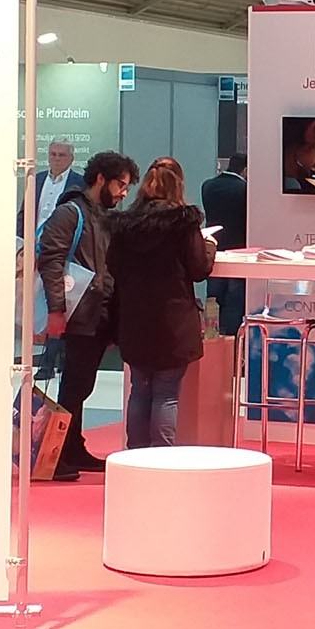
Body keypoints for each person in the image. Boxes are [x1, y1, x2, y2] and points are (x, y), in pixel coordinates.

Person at [39, 149, 139, 479]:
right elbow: (51, 261)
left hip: (96, 314)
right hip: (76, 312)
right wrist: (57, 309)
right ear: (100, 179)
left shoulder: (103, 216)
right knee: (74, 385)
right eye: (121, 185)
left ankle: (71, 448)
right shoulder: (70, 213)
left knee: (81, 384)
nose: (124, 193)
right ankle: (55, 455)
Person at [106, 164, 217, 448]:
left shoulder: (124, 225)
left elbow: (113, 266)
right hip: (173, 320)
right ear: (178, 185)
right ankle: (161, 455)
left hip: (134, 318)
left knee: (139, 390)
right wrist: (209, 247)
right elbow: (198, 269)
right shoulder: (184, 223)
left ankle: (134, 453)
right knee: (167, 394)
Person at [30, 139, 85, 378]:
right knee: (40, 307)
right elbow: (25, 213)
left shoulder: (79, 183)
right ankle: (50, 358)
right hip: (35, 251)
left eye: (62, 155)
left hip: (65, 253)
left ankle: (50, 362)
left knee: (59, 305)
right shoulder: (37, 180)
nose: (56, 158)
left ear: (71, 158)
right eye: (53, 154)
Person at [200, 152, 248, 335]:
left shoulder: (208, 186)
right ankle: (231, 342)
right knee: (235, 303)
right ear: (245, 169)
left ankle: (213, 338)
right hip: (239, 252)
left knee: (213, 300)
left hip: (213, 251)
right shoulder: (244, 190)